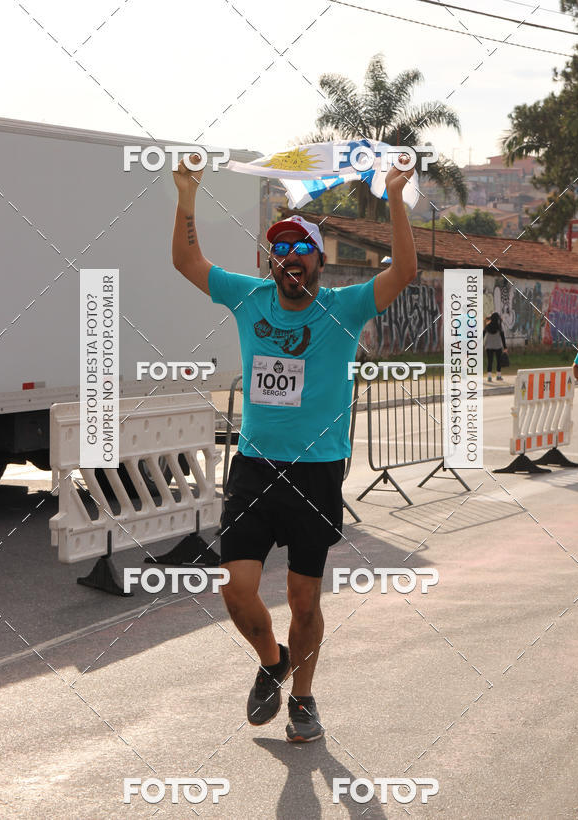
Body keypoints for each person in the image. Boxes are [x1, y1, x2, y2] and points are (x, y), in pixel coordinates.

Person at [171, 156, 417, 743]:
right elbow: (187, 261)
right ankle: (272, 660)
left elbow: (405, 270)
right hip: (255, 468)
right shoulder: (249, 296)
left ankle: (302, 698)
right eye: (279, 250)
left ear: (317, 260)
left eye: (300, 249)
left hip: (316, 472)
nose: (289, 259)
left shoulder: (345, 307)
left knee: (304, 599)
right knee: (236, 590)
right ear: (271, 262)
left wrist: (395, 198)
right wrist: (186, 195)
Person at [483, 312, 507, 382]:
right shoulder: (499, 327)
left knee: (490, 361)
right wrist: (505, 347)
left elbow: (483, 335)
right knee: (498, 361)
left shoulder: (487, 326)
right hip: (498, 346)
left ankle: (489, 377)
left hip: (488, 346)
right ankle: (498, 376)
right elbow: (503, 338)